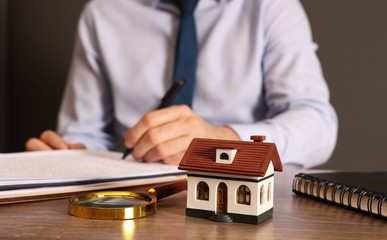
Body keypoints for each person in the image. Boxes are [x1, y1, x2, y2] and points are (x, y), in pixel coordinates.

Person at [25, 0, 338, 168]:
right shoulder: (102, 13)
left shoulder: (271, 6)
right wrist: (69, 156)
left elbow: (317, 126)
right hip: (141, 201)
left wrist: (222, 139)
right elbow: (86, 133)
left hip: (246, 199)